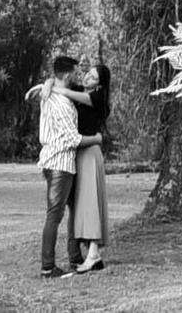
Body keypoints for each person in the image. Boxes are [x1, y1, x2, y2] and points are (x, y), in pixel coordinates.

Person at [28, 53, 99, 278]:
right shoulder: (61, 104)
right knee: (55, 214)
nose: (78, 77)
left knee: (73, 209)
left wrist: (47, 83)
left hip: (61, 162)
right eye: (76, 73)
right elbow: (72, 139)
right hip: (60, 163)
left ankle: (74, 256)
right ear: (67, 74)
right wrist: (96, 139)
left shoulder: (49, 95)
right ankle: (48, 266)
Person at [68, 61, 111, 272]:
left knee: (91, 202)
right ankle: (94, 253)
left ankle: (93, 254)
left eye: (93, 78)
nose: (87, 78)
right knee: (83, 203)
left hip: (90, 155)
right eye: (88, 74)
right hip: (81, 152)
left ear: (99, 85)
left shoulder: (98, 98)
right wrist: (47, 85)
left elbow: (74, 95)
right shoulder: (78, 90)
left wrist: (58, 89)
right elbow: (64, 85)